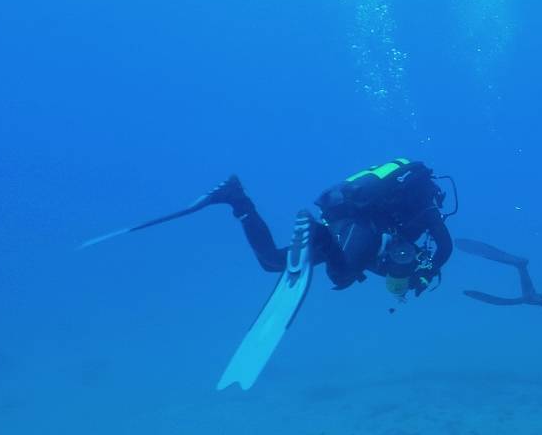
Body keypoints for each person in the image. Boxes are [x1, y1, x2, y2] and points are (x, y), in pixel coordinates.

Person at [81, 157, 456, 388]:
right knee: (342, 277)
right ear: (435, 194)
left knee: (273, 263)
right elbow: (445, 246)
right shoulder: (425, 206)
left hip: (345, 220)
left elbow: (377, 257)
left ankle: (237, 199)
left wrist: (403, 268)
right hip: (354, 224)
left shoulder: (399, 203)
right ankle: (318, 235)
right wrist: (425, 274)